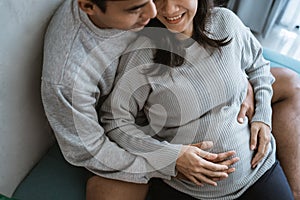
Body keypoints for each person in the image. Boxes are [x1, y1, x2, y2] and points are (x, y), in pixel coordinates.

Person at [40, 0, 300, 199]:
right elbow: (96, 144)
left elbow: (255, 62)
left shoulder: (220, 22)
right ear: (87, 5)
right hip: (143, 144)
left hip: (257, 170)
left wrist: (245, 85)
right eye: (139, 8)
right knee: (105, 191)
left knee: (289, 81)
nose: (156, 11)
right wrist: (169, 160)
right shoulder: (68, 76)